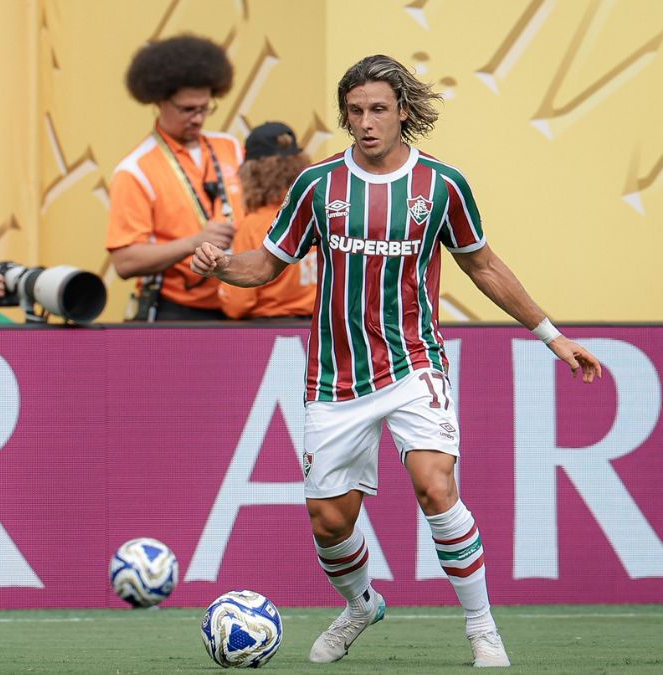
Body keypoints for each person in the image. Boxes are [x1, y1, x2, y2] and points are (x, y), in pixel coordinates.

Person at [191, 54, 602, 668]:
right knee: (330, 522)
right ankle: (360, 604)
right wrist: (225, 265)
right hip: (334, 378)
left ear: (403, 111)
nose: (366, 122)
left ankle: (482, 628)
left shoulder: (441, 185)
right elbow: (267, 264)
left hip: (415, 365)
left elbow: (483, 264)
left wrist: (552, 335)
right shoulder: (316, 185)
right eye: (355, 111)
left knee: (436, 487)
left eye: (378, 109)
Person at [106, 34, 243, 321]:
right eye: (187, 109)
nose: (198, 118)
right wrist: (193, 243)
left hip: (240, 302)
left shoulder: (231, 147)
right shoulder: (135, 170)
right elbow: (124, 262)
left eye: (205, 108)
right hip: (176, 311)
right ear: (158, 101)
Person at [219, 121, 317, 320]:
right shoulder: (319, 214)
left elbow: (237, 304)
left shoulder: (253, 226)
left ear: (250, 172)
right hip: (321, 331)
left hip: (269, 334)